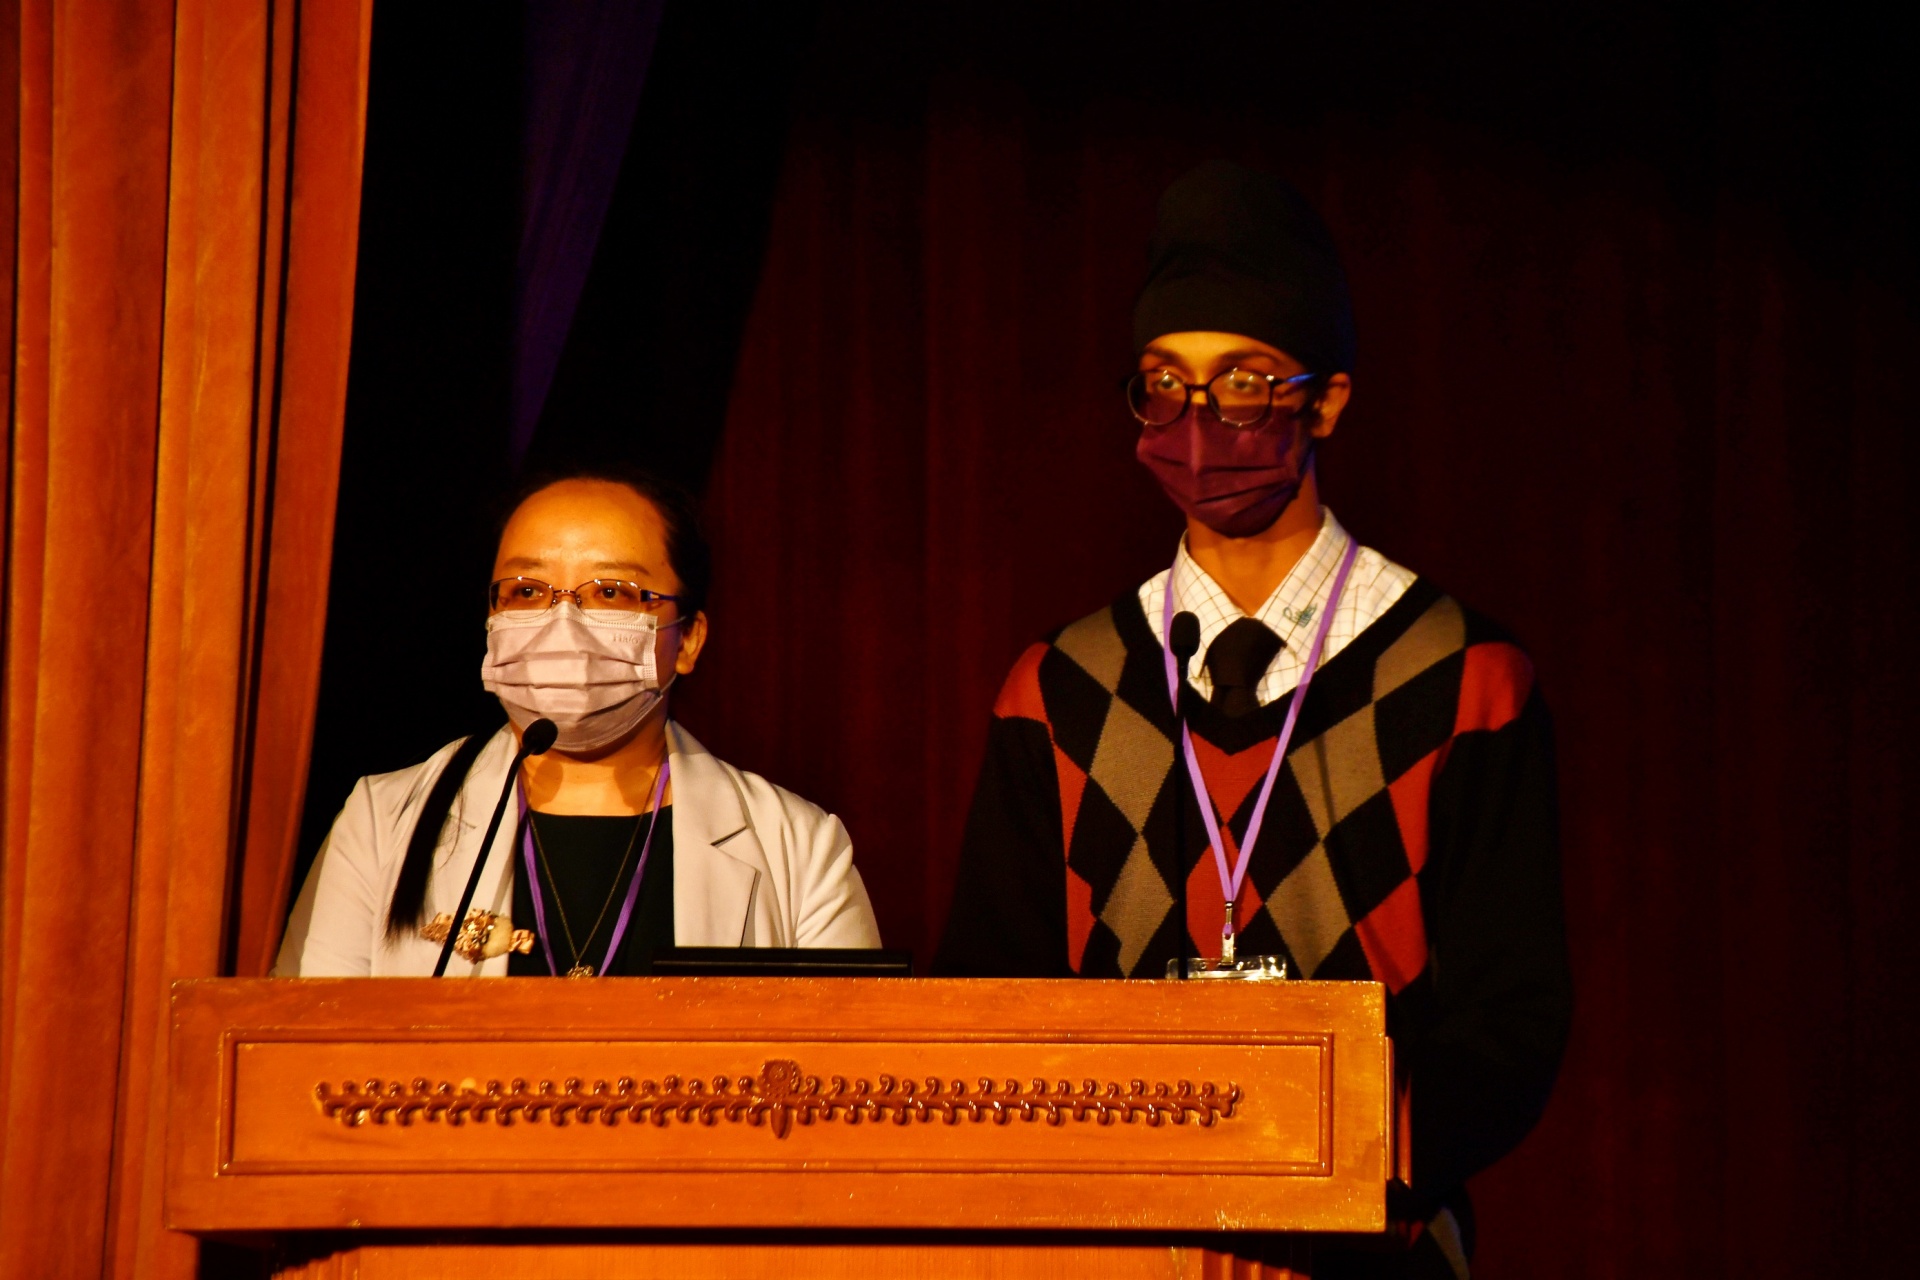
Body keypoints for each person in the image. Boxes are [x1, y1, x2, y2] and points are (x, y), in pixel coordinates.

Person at [934, 161, 1571, 1278]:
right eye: (1162, 385)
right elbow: (990, 995)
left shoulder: (1463, 675)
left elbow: (1509, 1020)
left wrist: (1344, 1157)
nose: (1197, 423)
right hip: (1111, 1250)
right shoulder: (1060, 686)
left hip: (1370, 1246)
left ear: (1327, 401)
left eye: (1243, 382)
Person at [277, 468, 880, 977]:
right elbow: (300, 1052)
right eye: (526, 591)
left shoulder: (800, 847)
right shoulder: (382, 823)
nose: (561, 622)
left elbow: (845, 1061)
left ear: (689, 640)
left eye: (611, 592)